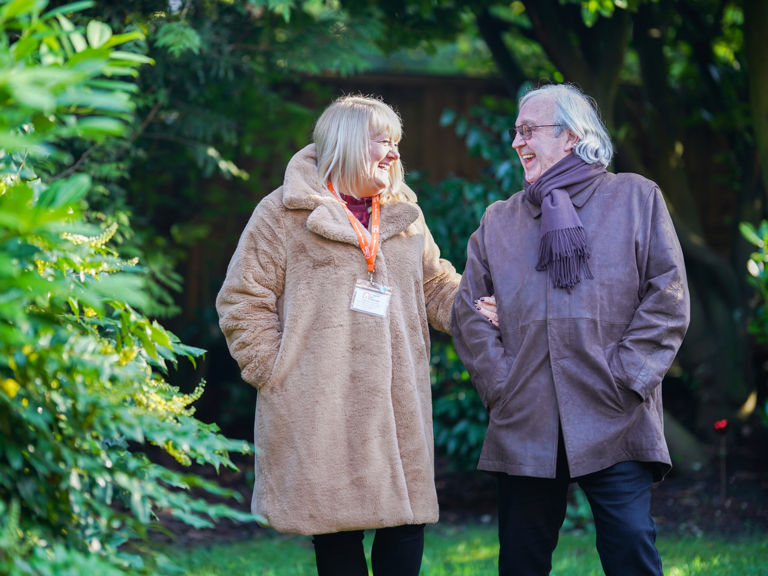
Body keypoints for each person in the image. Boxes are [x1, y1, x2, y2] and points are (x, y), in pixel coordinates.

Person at [216, 94, 462, 576]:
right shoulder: (283, 213)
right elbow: (242, 299)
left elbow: (436, 284)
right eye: (382, 142)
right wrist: (275, 371)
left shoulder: (404, 212)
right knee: (336, 537)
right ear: (348, 144)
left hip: (397, 408)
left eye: (397, 143)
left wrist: (477, 308)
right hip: (320, 404)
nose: (393, 154)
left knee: (405, 526)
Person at [451, 83, 690, 576]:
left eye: (528, 130)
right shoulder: (498, 221)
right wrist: (502, 387)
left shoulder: (635, 197)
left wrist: (625, 378)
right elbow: (469, 314)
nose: (516, 142)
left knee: (631, 552)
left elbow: (668, 299)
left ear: (572, 136)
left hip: (615, 413)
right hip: (525, 418)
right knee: (521, 560)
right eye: (515, 132)